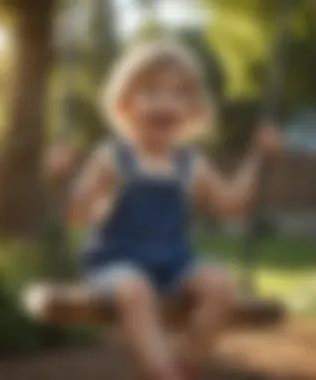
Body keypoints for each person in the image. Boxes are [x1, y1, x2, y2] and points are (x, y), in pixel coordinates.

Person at [48, 39, 281, 380]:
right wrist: (61, 179)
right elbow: (75, 215)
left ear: (194, 109)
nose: (166, 103)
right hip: (115, 263)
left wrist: (258, 158)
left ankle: (184, 366)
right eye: (152, 92)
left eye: (179, 94)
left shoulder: (190, 163)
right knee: (135, 290)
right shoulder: (112, 157)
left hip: (175, 264)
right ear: (125, 104)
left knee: (221, 285)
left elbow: (232, 205)